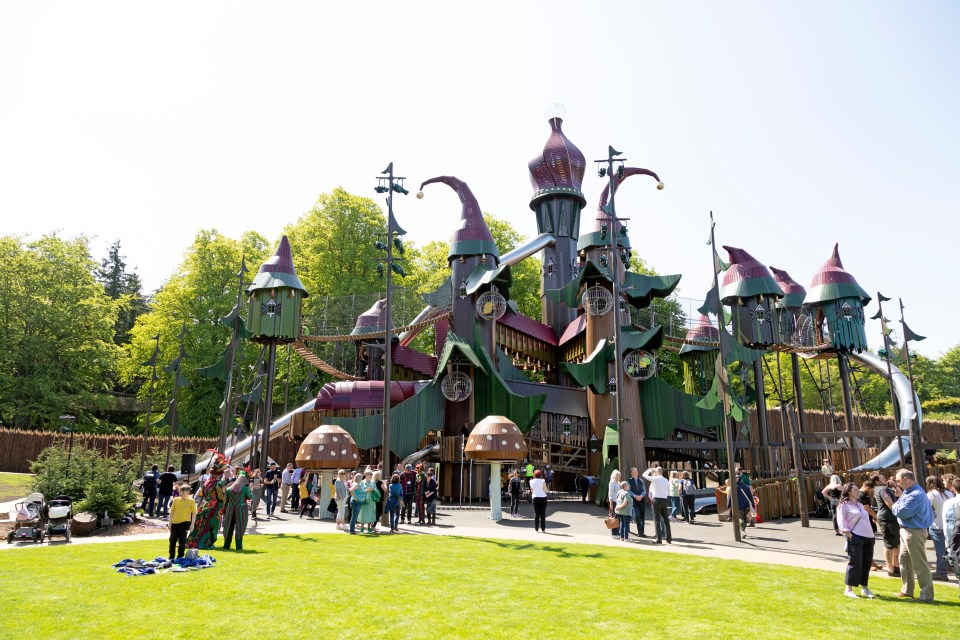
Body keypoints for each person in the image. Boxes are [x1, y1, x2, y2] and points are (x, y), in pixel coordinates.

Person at [882, 469, 934, 602]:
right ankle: (907, 590)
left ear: (906, 478)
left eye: (898, 480)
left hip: (914, 531)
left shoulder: (915, 494)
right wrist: (898, 503)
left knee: (919, 564)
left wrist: (891, 504)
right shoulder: (909, 492)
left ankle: (926, 596)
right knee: (904, 561)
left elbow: (902, 512)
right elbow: (900, 505)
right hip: (907, 530)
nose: (897, 484)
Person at [836, 483, 876, 598]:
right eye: (855, 490)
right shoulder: (843, 505)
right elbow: (841, 521)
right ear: (848, 492)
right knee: (855, 562)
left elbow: (866, 520)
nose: (857, 491)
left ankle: (865, 588)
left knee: (866, 563)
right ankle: (848, 589)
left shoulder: (859, 504)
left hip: (868, 536)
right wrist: (847, 533)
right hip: (855, 536)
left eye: (857, 489)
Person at [872, 473, 901, 577]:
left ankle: (896, 565)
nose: (884, 478)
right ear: (877, 481)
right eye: (882, 477)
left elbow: (900, 495)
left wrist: (895, 486)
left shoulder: (887, 488)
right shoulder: (882, 490)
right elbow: (889, 503)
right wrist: (899, 512)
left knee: (896, 543)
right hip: (887, 518)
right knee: (889, 543)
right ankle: (890, 568)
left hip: (893, 518)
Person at [926, 475, 950, 579]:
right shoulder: (948, 493)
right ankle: (945, 569)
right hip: (948, 525)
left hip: (936, 525)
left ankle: (941, 572)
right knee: (947, 549)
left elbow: (925, 508)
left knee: (940, 550)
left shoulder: (931, 494)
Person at [222, 471, 252, 550]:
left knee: (228, 527)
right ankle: (238, 547)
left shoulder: (228, 489)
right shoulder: (245, 488)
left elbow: (226, 501)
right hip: (241, 510)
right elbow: (249, 497)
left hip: (230, 510)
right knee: (240, 528)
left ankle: (226, 546)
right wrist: (250, 489)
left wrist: (224, 510)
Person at [642, 466, 672, 544]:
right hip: (664, 500)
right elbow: (668, 492)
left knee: (657, 520)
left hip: (656, 500)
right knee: (666, 520)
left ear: (657, 472)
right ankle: (669, 538)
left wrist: (650, 469)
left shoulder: (655, 479)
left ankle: (659, 539)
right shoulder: (666, 480)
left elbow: (644, 475)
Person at [168, 485, 196, 560]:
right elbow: (172, 511)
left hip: (185, 523)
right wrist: (170, 523)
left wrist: (192, 524)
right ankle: (171, 556)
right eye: (180, 490)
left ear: (187, 492)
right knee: (172, 540)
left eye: (182, 491)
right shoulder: (176, 500)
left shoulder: (191, 501)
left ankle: (180, 556)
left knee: (182, 541)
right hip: (175, 523)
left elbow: (194, 513)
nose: (180, 492)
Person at [627, 468, 647, 537]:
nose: (636, 473)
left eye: (636, 472)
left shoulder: (641, 480)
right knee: (637, 515)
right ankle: (639, 532)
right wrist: (635, 496)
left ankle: (642, 532)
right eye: (634, 472)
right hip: (634, 500)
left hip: (641, 500)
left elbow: (644, 490)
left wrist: (641, 496)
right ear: (631, 473)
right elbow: (629, 490)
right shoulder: (629, 481)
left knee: (642, 516)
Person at [733, 474, 754, 538]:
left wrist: (729, 505)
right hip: (746, 505)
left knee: (741, 518)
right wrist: (752, 505)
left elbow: (731, 497)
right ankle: (743, 530)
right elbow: (750, 496)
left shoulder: (734, 487)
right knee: (744, 518)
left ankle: (742, 531)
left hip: (739, 506)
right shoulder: (746, 486)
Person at [608, 470, 622, 538]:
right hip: (613, 501)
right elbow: (610, 493)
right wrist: (611, 503)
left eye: (619, 475)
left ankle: (616, 532)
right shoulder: (612, 482)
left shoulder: (617, 482)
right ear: (614, 475)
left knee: (617, 517)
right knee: (613, 517)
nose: (619, 476)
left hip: (617, 502)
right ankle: (614, 533)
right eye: (617, 475)